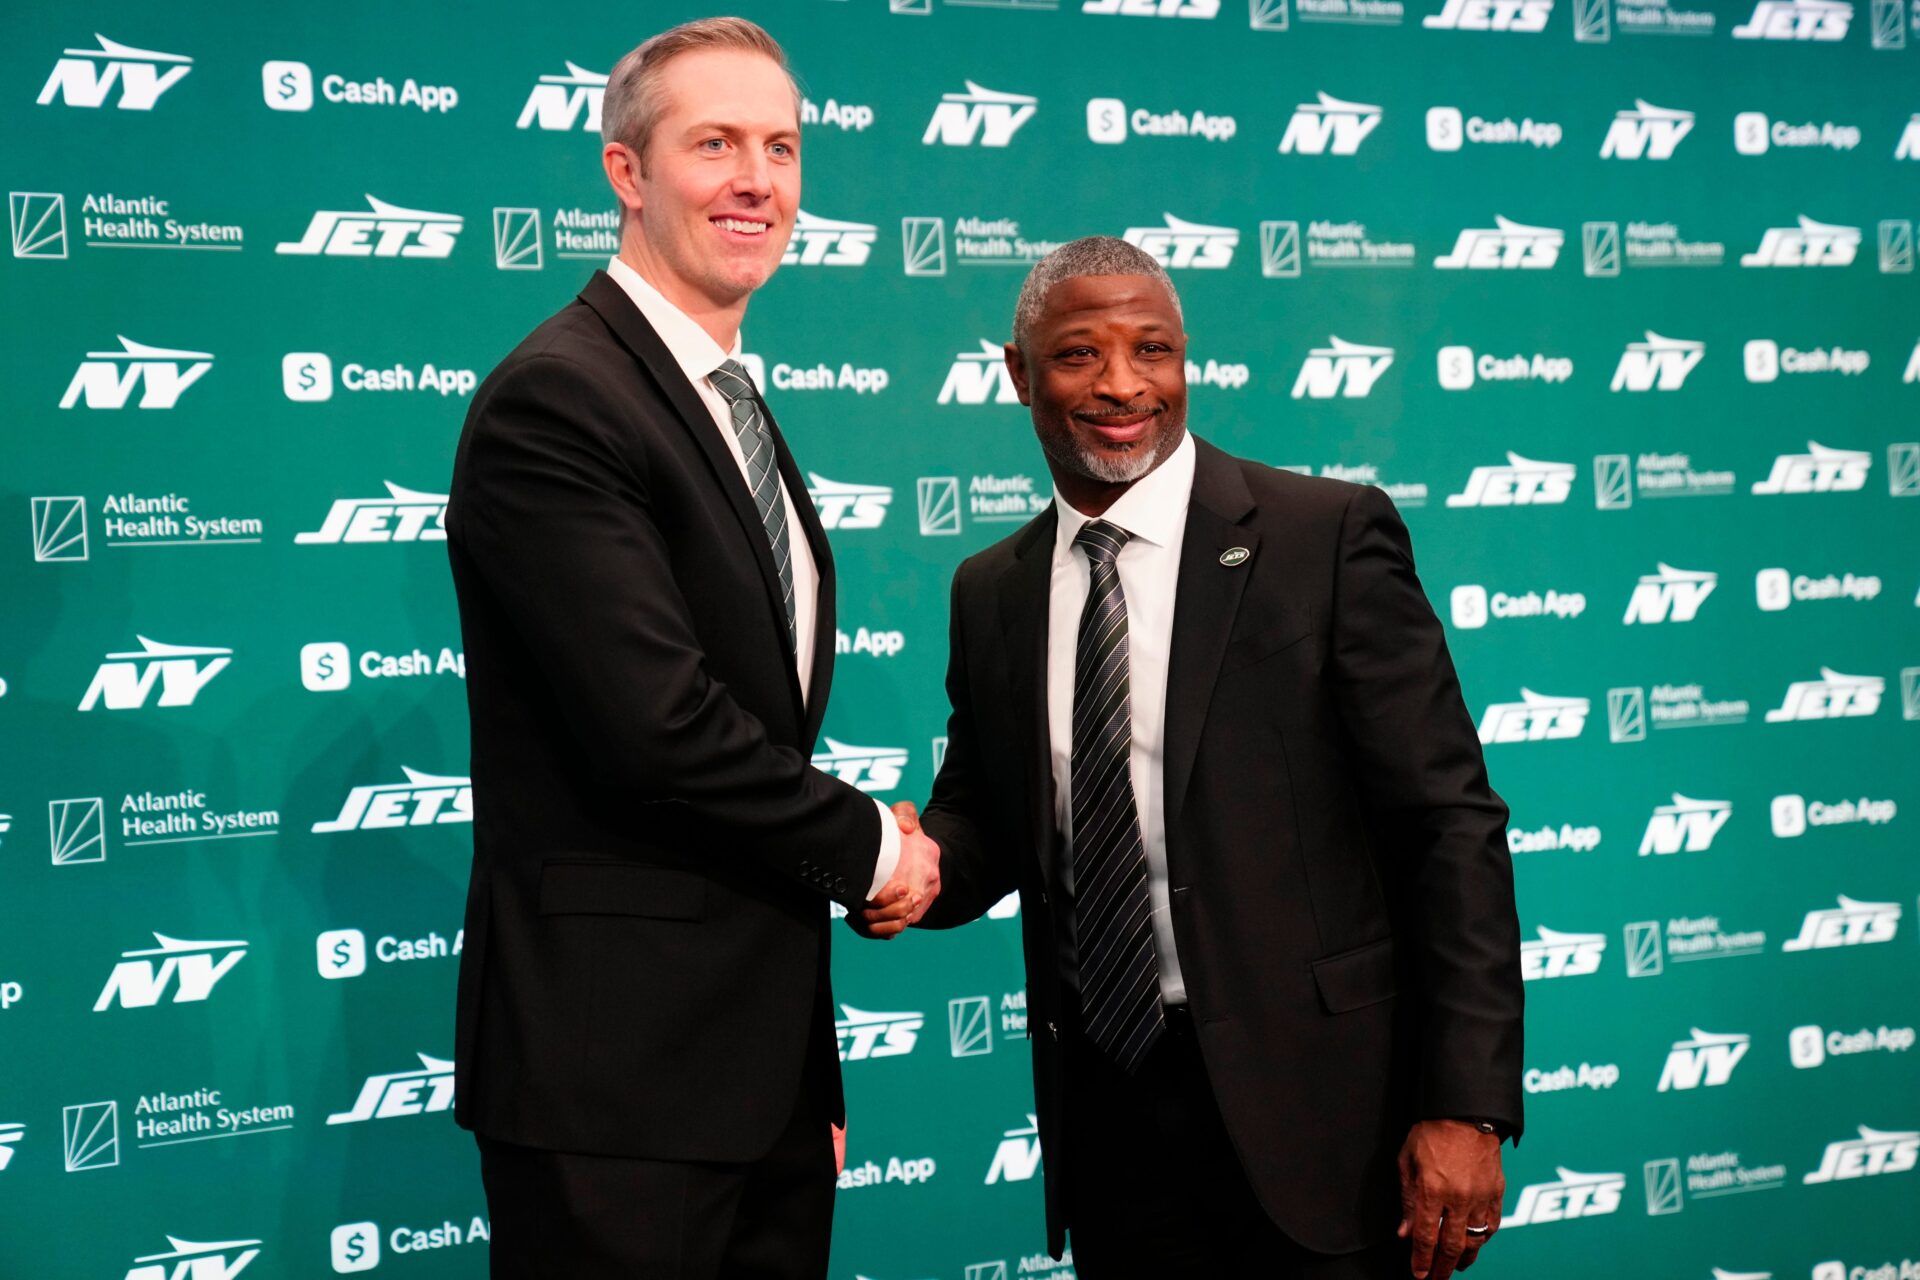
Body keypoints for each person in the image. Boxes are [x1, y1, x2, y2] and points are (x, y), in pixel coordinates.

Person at [867, 237, 1522, 1278]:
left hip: (1327, 1120)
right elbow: (988, 818)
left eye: (1153, 349)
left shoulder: (1325, 535)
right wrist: (900, 861)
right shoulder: (991, 588)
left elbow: (1448, 823)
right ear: (1017, 373)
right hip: (1114, 1110)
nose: (1123, 384)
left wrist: (1467, 1104)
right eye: (1079, 354)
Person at [445, 18, 937, 1278]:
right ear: (627, 173)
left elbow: (753, 737)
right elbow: (657, 726)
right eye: (713, 143)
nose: (757, 179)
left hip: (754, 1081)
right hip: (617, 1086)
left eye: (780, 147)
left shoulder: (728, 399)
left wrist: (803, 1072)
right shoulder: (562, 396)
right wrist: (873, 846)